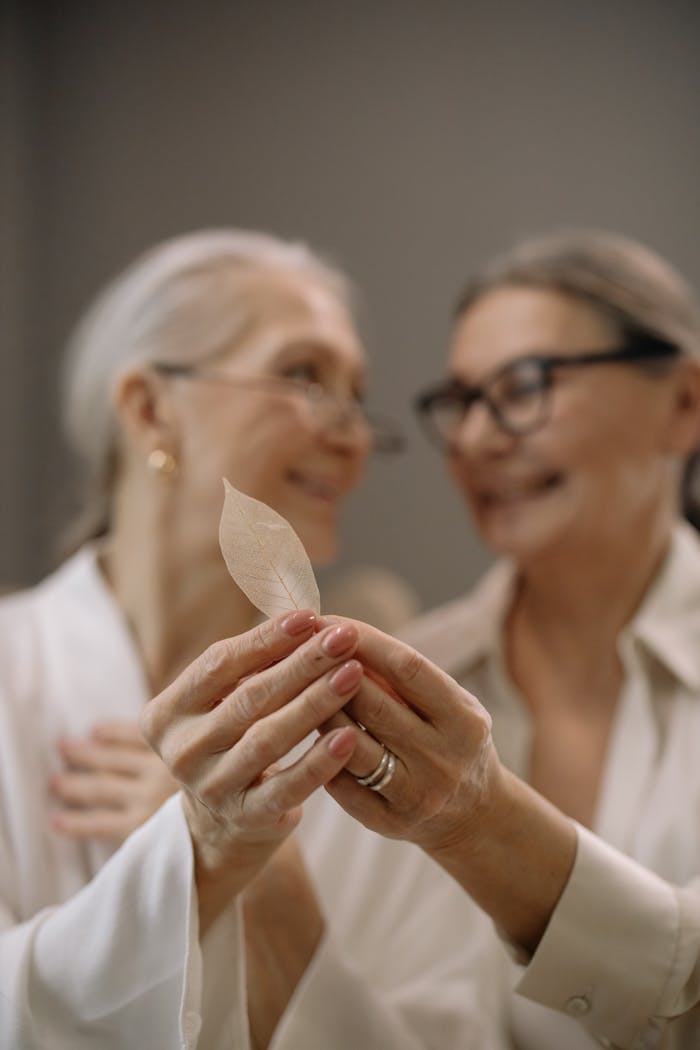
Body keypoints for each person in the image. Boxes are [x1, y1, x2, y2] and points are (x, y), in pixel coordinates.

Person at [0, 231, 507, 1049]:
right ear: (149, 408)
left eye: (357, 395)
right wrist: (190, 861)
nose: (350, 437)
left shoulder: (386, 734)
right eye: (304, 375)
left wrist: (269, 886)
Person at [388, 228, 700, 1049]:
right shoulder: (399, 686)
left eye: (524, 385)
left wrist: (485, 829)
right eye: (459, 401)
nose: (477, 441)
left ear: (685, 404)